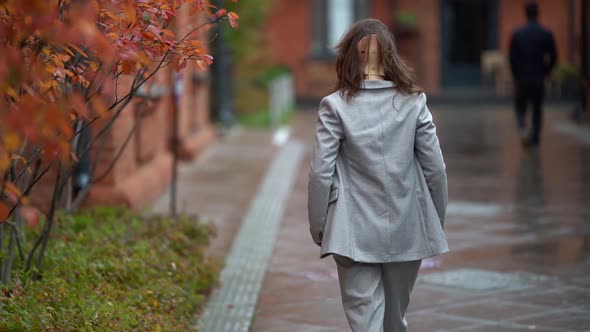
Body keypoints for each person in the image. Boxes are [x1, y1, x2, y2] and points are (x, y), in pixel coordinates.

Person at [307, 19, 448, 332]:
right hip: (407, 224)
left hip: (350, 229)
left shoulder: (334, 106)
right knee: (395, 319)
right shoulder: (414, 102)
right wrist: (435, 218)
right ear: (390, 56)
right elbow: (435, 168)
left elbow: (321, 171)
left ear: (347, 57)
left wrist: (319, 225)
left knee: (365, 319)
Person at [509, 1, 557, 148]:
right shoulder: (546, 34)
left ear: (526, 13)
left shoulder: (518, 34)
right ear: (538, 14)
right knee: (537, 109)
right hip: (538, 77)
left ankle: (523, 126)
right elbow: (554, 56)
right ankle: (535, 140)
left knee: (520, 107)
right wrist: (546, 71)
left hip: (522, 77)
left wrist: (516, 75)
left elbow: (512, 58)